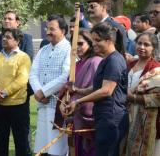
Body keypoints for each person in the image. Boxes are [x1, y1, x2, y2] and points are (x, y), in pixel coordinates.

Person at [65, 22, 129, 156]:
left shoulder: (114, 60)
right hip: (104, 117)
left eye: (97, 40)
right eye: (93, 40)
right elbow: (97, 88)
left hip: (111, 118)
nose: (93, 44)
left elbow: (106, 90)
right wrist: (78, 90)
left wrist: (78, 101)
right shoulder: (106, 59)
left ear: (109, 40)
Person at [0, 10, 33, 154]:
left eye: (8, 38)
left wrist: (4, 92)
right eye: (4, 37)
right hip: (0, 104)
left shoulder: (23, 57)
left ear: (17, 41)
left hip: (18, 104)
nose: (4, 40)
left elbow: (22, 79)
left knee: (20, 140)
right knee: (1, 140)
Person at [29, 14, 71, 156]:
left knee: (57, 148)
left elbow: (65, 77)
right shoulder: (43, 49)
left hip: (58, 106)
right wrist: (38, 93)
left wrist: (44, 92)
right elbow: (33, 73)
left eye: (52, 29)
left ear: (63, 31)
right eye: (47, 29)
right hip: (43, 105)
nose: (48, 32)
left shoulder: (69, 50)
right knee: (43, 148)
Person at [59, 30, 102, 156]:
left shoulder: (96, 61)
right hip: (76, 117)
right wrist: (63, 103)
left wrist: (77, 99)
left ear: (90, 43)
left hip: (90, 119)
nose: (76, 48)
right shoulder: (76, 64)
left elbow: (97, 89)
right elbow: (69, 89)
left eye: (80, 43)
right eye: (74, 44)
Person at [124, 32, 160, 156]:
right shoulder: (130, 64)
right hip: (125, 116)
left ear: (153, 49)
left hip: (145, 120)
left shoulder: (156, 69)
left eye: (146, 44)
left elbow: (157, 98)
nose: (142, 47)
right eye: (139, 43)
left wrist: (132, 98)